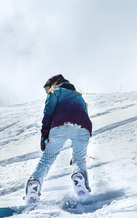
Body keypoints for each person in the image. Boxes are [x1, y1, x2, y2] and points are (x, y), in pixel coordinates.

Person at [25, 74, 92, 204]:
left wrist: (44, 135)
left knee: (47, 158)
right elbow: (85, 116)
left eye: (47, 89)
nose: (46, 92)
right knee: (79, 159)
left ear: (54, 84)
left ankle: (34, 186)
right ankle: (82, 185)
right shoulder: (79, 97)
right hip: (83, 128)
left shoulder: (55, 92)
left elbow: (48, 114)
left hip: (61, 125)